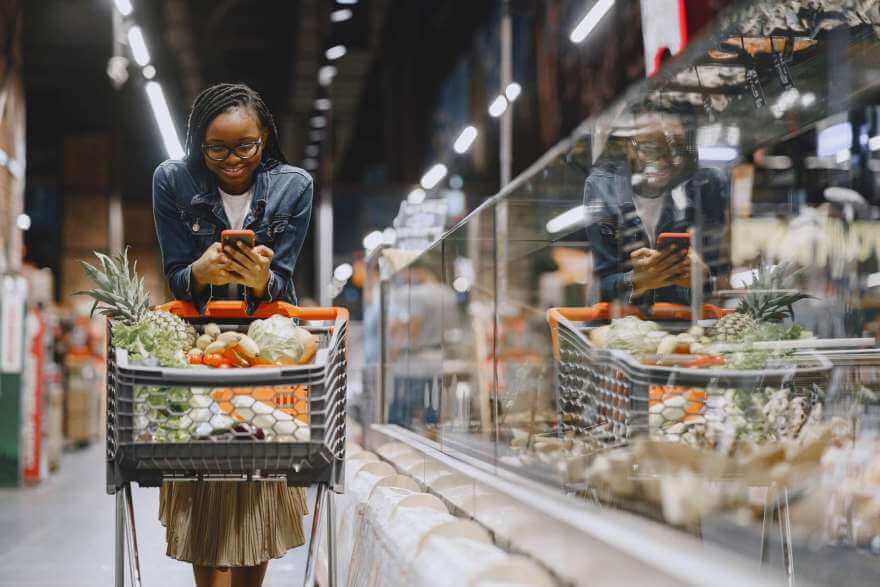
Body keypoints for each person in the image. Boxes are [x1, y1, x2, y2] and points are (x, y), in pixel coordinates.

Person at [152, 83, 312, 587]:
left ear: (266, 137)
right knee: (204, 483)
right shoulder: (172, 181)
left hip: (265, 355)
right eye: (216, 148)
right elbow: (177, 276)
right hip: (198, 354)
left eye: (246, 146)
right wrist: (200, 270)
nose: (233, 159)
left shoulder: (295, 186)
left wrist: (263, 280)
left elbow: (283, 282)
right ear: (198, 143)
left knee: (258, 483)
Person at [584, 112, 729, 308]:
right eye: (651, 148)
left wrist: (703, 278)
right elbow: (602, 283)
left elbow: (722, 281)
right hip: (622, 326)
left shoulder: (705, 187)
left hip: (681, 326)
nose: (664, 161)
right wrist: (635, 281)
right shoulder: (603, 187)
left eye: (676, 149)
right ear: (629, 146)